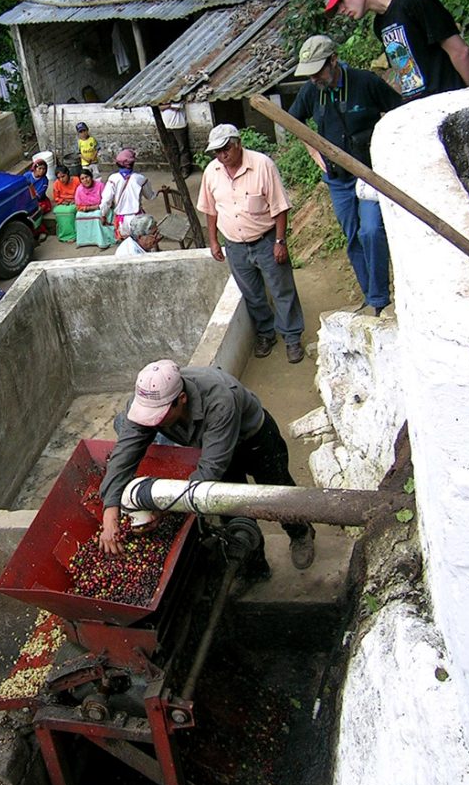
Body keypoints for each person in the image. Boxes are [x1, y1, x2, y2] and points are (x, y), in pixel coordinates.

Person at [98, 359, 316, 573]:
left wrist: (164, 509)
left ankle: (300, 533)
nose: (151, 423)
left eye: (157, 417)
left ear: (181, 399)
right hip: (211, 447)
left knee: (277, 492)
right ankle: (254, 567)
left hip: (254, 440)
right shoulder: (146, 404)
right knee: (230, 508)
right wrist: (110, 512)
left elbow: (209, 470)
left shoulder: (220, 399)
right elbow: (124, 454)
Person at [290, 35, 402, 316]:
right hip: (338, 179)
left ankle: (379, 300)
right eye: (310, 74)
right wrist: (314, 152)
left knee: (372, 230)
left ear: (334, 60)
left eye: (318, 71)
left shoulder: (365, 82)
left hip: (369, 173)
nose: (314, 78)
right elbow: (294, 121)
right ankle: (370, 295)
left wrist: (387, 151)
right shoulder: (311, 91)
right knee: (352, 236)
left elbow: (400, 112)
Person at [197, 124, 305, 364]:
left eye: (226, 149)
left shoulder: (262, 165)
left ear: (238, 144)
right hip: (235, 245)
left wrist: (280, 241)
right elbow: (210, 210)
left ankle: (292, 338)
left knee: (282, 289)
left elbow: (279, 206)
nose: (222, 155)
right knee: (252, 294)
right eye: (217, 152)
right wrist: (214, 241)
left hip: (266, 240)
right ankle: (266, 334)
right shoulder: (212, 172)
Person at [324, 0, 469, 100]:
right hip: (421, 111)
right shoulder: (379, 25)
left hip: (450, 100)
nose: (341, 10)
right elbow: (403, 72)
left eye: (341, 1)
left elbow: (460, 52)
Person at [100, 148, 157, 241]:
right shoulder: (140, 179)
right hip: (138, 218)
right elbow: (150, 196)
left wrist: (103, 215)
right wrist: (158, 193)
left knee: (126, 243)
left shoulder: (113, 179)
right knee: (141, 243)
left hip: (121, 221)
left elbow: (106, 200)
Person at [74, 168, 116, 249]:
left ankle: (101, 241)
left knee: (97, 215)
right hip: (87, 209)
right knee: (78, 215)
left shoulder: (100, 186)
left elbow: (107, 201)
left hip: (102, 209)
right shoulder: (79, 189)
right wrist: (90, 208)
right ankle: (83, 241)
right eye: (82, 179)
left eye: (87, 177)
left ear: (91, 177)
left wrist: (98, 207)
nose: (85, 180)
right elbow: (78, 206)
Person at [160, 102, 192, 177]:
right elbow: (159, 108)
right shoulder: (164, 97)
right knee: (173, 149)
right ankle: (177, 171)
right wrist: (170, 106)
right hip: (167, 126)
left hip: (179, 126)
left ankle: (185, 169)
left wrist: (165, 106)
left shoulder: (177, 97)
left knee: (183, 148)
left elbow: (177, 107)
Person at [24, 157, 51, 240]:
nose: (41, 171)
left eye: (44, 169)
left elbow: (40, 195)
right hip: (27, 200)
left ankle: (42, 231)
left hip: (41, 201)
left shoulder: (44, 180)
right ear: (35, 168)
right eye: (39, 168)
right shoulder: (27, 176)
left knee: (35, 213)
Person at [52, 164, 79, 243]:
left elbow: (81, 193)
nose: (61, 179)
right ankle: (62, 235)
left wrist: (75, 201)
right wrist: (63, 202)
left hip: (75, 202)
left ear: (68, 174)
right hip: (63, 203)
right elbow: (56, 197)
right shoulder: (56, 184)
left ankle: (73, 235)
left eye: (63, 176)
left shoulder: (76, 180)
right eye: (59, 177)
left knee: (70, 212)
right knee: (58, 211)